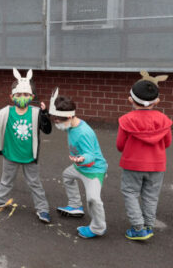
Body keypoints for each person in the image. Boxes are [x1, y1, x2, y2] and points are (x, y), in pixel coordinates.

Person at [0, 68, 53, 223]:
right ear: (12, 96)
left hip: (29, 156)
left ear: (32, 97)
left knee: (35, 183)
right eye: (18, 95)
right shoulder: (6, 112)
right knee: (6, 180)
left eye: (25, 95)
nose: (22, 97)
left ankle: (42, 209)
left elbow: (47, 130)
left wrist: (45, 114)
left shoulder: (36, 112)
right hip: (10, 155)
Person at [116, 72, 173, 240]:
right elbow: (167, 142)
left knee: (130, 193)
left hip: (132, 164)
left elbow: (120, 145)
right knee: (151, 195)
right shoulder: (164, 120)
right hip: (157, 164)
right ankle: (149, 224)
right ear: (157, 101)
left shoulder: (126, 120)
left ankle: (138, 227)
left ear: (130, 100)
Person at [51, 89, 108, 239]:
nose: (56, 123)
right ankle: (75, 205)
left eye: (58, 120)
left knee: (93, 199)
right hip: (78, 166)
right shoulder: (70, 124)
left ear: (69, 116)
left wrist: (83, 159)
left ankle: (98, 228)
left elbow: (91, 155)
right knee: (67, 176)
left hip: (93, 170)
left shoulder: (84, 132)